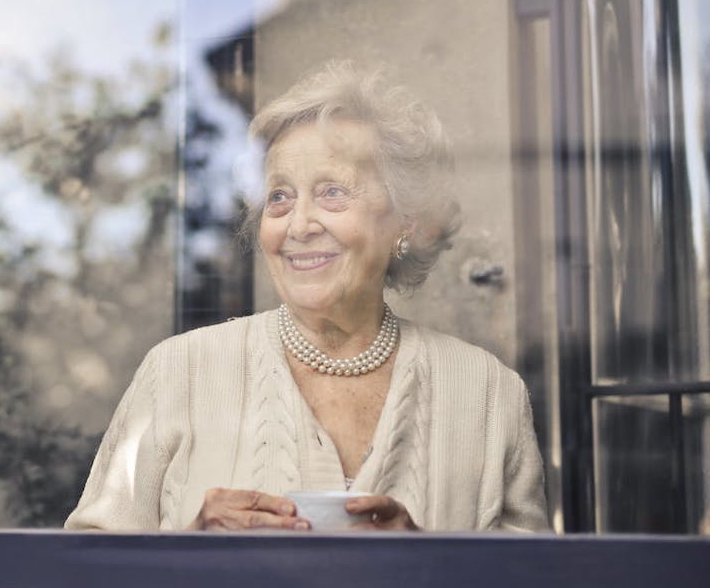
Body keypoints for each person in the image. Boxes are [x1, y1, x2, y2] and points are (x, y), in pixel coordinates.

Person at [64, 61, 549, 532]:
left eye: (333, 192)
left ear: (407, 222)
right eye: (279, 197)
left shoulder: (489, 395)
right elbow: (83, 572)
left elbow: (536, 579)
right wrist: (193, 549)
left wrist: (423, 562)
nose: (298, 225)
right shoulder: (177, 374)